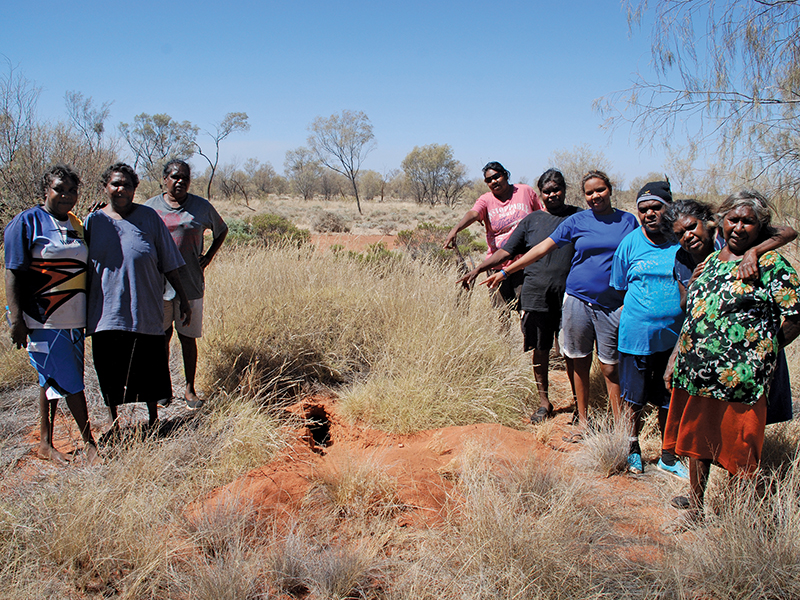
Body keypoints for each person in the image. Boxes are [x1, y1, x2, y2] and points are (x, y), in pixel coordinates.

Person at [663, 191, 800, 529]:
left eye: (748, 221)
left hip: (742, 382)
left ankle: (739, 521)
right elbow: (695, 317)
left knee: (740, 450)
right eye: (733, 219)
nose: (739, 227)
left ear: (759, 227)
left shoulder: (769, 264)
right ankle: (696, 510)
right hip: (696, 377)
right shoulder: (706, 264)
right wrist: (674, 360)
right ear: (720, 222)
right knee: (696, 446)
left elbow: (796, 316)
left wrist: (762, 353)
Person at [484, 170, 638, 436]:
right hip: (578, 297)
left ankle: (622, 427)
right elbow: (541, 248)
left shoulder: (628, 221)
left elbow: (639, 255)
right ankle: (582, 420)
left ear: (610, 189)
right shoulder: (578, 220)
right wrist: (506, 271)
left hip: (612, 303)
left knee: (610, 365)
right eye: (589, 192)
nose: (595, 196)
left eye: (600, 190)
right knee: (577, 358)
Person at [457, 169, 580, 423]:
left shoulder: (578, 216)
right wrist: (479, 269)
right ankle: (544, 402)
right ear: (541, 193)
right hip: (536, 292)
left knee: (571, 351)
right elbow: (507, 250)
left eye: (557, 189)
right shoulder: (532, 220)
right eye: (547, 191)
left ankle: (581, 404)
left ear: (565, 189)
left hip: (571, 294)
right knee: (539, 348)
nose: (552, 194)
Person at [664, 199, 796, 427]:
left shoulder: (731, 239)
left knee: (748, 419)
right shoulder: (682, 258)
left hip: (749, 349)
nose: (687, 236)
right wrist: (696, 283)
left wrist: (753, 251)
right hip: (707, 358)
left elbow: (789, 231)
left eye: (692, 227)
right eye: (680, 234)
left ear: (709, 223)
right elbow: (689, 309)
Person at [85, 163, 191, 434]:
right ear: (105, 187)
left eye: (127, 185)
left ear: (135, 188)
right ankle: (114, 423)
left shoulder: (149, 218)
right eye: (115, 184)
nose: (121, 189)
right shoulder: (93, 221)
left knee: (150, 368)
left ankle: (154, 421)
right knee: (109, 370)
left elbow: (169, 262)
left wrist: (184, 298)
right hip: (107, 311)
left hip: (144, 309)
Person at [4, 165, 99, 465]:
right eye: (60, 189)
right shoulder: (26, 222)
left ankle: (45, 442)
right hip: (43, 320)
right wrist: (16, 320)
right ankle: (90, 443)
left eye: (72, 190)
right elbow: (12, 274)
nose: (66, 195)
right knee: (72, 382)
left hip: (73, 320)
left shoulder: (75, 223)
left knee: (50, 379)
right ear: (46, 190)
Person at [610, 181, 686, 477]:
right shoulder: (629, 244)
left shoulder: (684, 241)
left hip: (675, 340)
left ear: (669, 208)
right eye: (643, 209)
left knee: (669, 398)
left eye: (656, 207)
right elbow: (619, 288)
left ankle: (668, 455)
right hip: (636, 337)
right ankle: (632, 450)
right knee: (633, 399)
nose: (649, 213)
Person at [145, 159, 228, 410]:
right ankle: (163, 387)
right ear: (164, 179)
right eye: (174, 176)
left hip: (190, 282)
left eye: (184, 177)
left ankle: (190, 389)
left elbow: (221, 230)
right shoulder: (150, 208)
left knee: (187, 338)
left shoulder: (201, 207)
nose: (179, 181)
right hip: (158, 285)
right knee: (162, 337)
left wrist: (208, 257)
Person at [444, 161, 542, 312]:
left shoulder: (525, 191)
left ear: (505, 175)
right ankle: (505, 337)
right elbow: (474, 213)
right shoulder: (486, 199)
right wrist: (456, 229)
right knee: (501, 314)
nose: (493, 181)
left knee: (528, 312)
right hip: (497, 265)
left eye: (496, 177)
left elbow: (541, 216)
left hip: (524, 264)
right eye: (488, 180)